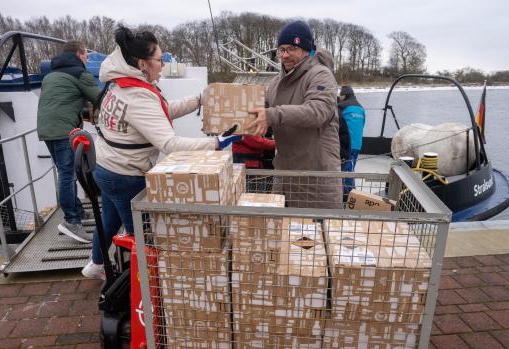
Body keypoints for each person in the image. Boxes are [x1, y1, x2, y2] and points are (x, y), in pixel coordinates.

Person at [82, 26, 240, 279]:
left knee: (108, 221)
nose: (163, 65)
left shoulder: (123, 84)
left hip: (106, 168)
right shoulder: (137, 96)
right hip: (126, 175)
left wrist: (198, 99)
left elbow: (162, 112)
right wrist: (216, 144)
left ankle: (95, 265)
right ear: (142, 64)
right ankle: (146, 288)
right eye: (159, 60)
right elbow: (170, 144)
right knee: (144, 236)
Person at [247, 20, 342, 209]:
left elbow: (317, 112)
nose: (284, 55)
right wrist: (231, 118)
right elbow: (259, 108)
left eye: (291, 49)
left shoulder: (321, 75)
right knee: (282, 231)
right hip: (284, 175)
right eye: (281, 50)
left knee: (313, 233)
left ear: (306, 49)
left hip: (316, 176)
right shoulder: (274, 82)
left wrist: (272, 115)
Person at [37, 40, 101, 243]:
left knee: (64, 172)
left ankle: (78, 212)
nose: (87, 59)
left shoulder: (51, 75)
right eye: (86, 56)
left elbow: (63, 100)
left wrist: (82, 113)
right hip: (64, 130)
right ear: (80, 54)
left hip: (47, 129)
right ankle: (72, 221)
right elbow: (100, 98)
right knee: (68, 174)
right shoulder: (79, 73)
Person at [338, 85, 365, 194]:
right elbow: (362, 125)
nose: (339, 98)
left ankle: (348, 195)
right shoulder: (361, 108)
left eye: (340, 95)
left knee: (345, 170)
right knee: (351, 167)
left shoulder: (341, 107)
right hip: (357, 144)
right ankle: (350, 193)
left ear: (344, 96)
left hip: (345, 144)